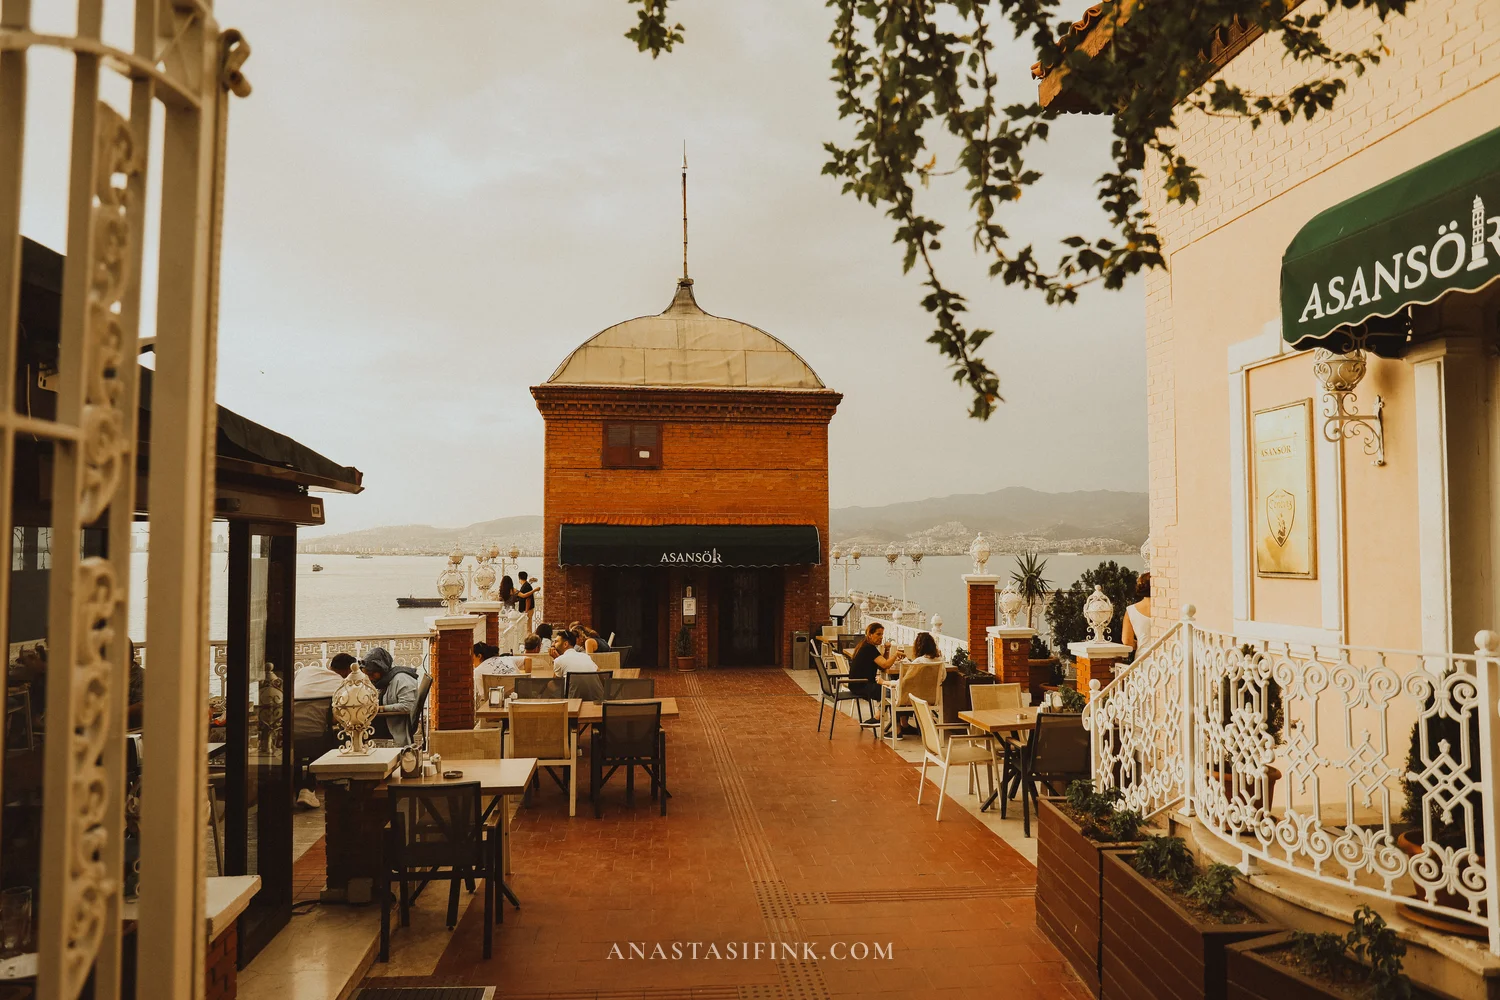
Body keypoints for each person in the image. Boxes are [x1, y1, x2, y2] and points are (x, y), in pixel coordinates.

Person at [293, 653, 354, 808]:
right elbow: (337, 718)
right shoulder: (341, 684)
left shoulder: (306, 671)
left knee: (297, 749)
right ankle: (308, 788)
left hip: (287, 736)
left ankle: (298, 787)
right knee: (336, 735)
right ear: (348, 671)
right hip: (317, 740)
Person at [848, 623, 903, 729]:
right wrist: (896, 654)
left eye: (882, 634)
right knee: (894, 692)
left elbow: (882, 666)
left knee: (892, 690)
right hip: (861, 685)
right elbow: (885, 664)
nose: (881, 637)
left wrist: (887, 650)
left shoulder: (867, 646)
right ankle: (897, 728)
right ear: (870, 634)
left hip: (858, 684)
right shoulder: (869, 648)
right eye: (878, 634)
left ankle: (892, 722)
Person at [362, 647, 420, 746]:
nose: (370, 678)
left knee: (354, 731)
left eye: (372, 674)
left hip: (395, 724)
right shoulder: (387, 680)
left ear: (381, 668)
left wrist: (381, 709)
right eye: (368, 675)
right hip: (388, 720)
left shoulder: (402, 680)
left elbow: (407, 706)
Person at [1121, 572, 1152, 656]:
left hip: (1143, 659)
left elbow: (1127, 641)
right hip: (1167, 660)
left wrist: (1141, 642)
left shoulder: (1131, 611)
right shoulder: (1168, 610)